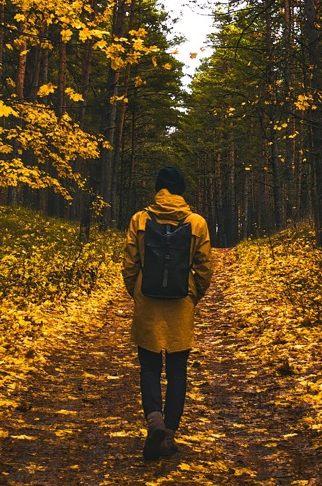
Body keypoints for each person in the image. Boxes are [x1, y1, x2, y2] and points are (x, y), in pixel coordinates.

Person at [122, 166, 213, 460]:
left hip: (148, 303)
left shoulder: (140, 219)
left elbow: (129, 264)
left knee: (149, 367)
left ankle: (154, 421)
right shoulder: (196, 222)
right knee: (177, 372)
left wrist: (135, 292)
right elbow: (204, 268)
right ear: (181, 191)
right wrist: (192, 295)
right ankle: (169, 435)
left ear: (158, 189)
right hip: (180, 305)